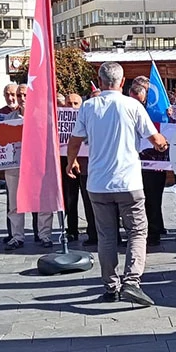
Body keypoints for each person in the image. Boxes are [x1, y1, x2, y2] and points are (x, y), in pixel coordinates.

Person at [66, 61, 168, 306]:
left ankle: (111, 287)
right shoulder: (132, 105)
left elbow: (75, 141)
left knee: (107, 236)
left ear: (100, 81)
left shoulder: (88, 107)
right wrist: (163, 143)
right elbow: (154, 138)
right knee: (137, 232)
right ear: (122, 83)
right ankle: (132, 281)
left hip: (98, 183)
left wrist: (71, 163)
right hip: (129, 182)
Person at [1, 92, 54, 250]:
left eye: (25, 94)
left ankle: (45, 235)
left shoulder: (45, 116)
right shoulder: (9, 118)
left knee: (43, 202)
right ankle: (17, 236)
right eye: (19, 95)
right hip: (15, 166)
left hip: (39, 165)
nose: (22, 98)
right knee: (14, 203)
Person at [127, 76, 170, 246]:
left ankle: (153, 232)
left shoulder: (157, 110)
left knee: (153, 199)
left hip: (154, 164)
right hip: (132, 162)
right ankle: (139, 231)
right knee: (135, 200)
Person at [63, 91, 97, 247]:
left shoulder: (89, 118)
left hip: (86, 166)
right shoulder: (60, 119)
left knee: (89, 201)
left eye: (76, 104)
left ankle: (92, 232)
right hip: (66, 164)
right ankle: (71, 231)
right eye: (69, 103)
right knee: (70, 200)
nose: (72, 107)